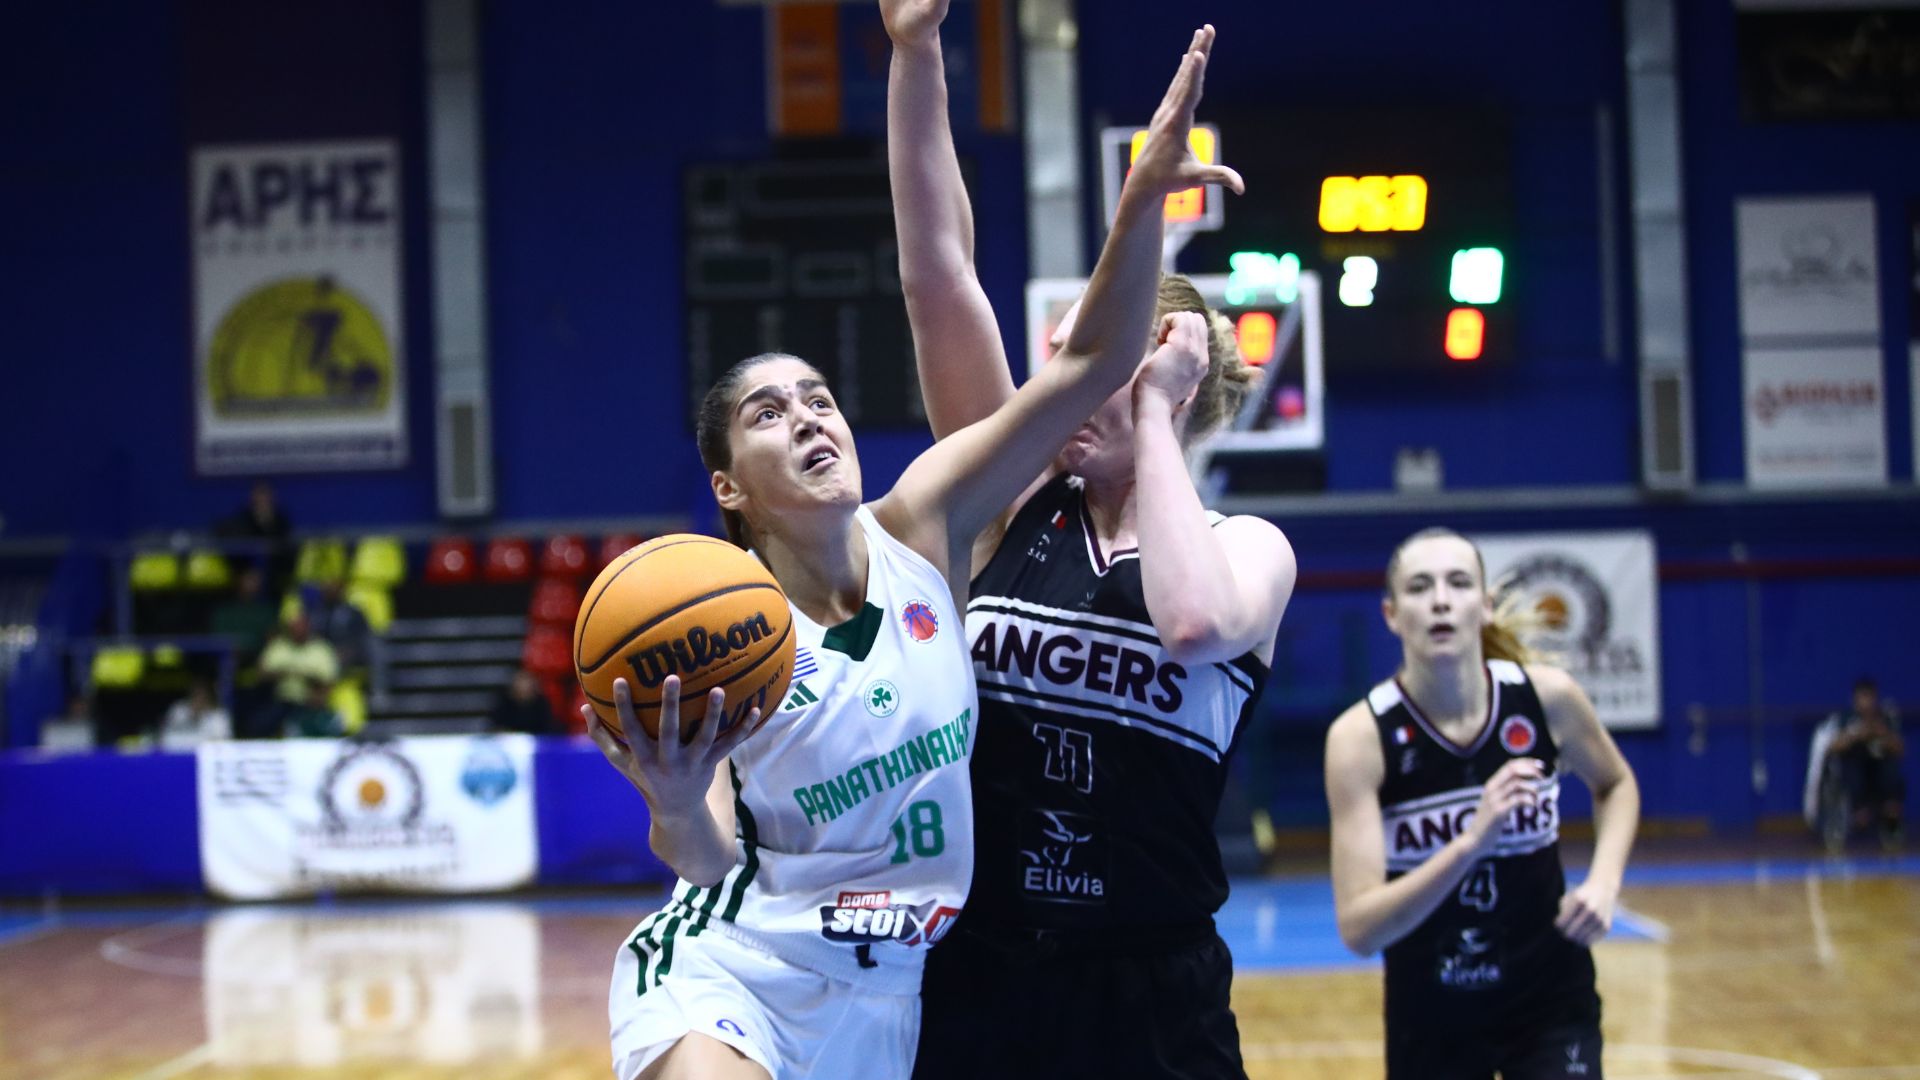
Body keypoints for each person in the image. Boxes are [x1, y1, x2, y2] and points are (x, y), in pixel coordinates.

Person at [585, 26, 1239, 1080]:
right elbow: (703, 862)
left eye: (819, 398)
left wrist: (1141, 202)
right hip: (738, 965)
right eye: (768, 412)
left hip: (893, 998)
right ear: (727, 486)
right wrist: (669, 799)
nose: (808, 417)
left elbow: (1095, 356)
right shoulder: (720, 635)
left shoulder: (926, 527)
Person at [880, 4, 1290, 1077]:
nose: (1060, 380)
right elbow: (937, 277)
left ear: (1172, 381)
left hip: (1153, 987)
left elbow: (1191, 625)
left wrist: (1150, 411)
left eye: (1091, 362)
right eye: (1059, 356)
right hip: (982, 969)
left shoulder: (1248, 547)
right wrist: (916, 54)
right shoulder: (1009, 504)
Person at [1323, 528, 1640, 1079]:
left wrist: (1604, 883)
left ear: (1486, 605)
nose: (1441, 600)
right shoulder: (1360, 739)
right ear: (1392, 615)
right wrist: (1470, 842)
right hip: (1432, 1014)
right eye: (1420, 587)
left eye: (1459, 583)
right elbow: (1359, 929)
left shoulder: (1547, 699)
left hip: (1549, 998)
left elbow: (1616, 784)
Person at [1813, 677, 1905, 849]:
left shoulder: (1885, 717)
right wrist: (1855, 735)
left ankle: (1891, 825)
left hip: (1879, 770)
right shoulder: (1846, 718)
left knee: (1891, 774)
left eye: (1869, 698)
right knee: (1850, 770)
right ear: (1855, 699)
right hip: (1855, 772)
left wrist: (1882, 734)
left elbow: (1900, 749)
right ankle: (1855, 813)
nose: (1866, 703)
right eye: (1862, 698)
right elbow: (1832, 747)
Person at [257, 612, 341, 738]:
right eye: (294, 627)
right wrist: (283, 673)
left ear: (308, 628)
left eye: (301, 627)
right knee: (261, 723)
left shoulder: (321, 649)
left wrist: (307, 678)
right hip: (281, 701)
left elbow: (329, 681)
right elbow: (261, 674)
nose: (298, 631)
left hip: (310, 703)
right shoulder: (278, 646)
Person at [159, 678, 233, 751]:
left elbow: (225, 741)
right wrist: (192, 715)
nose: (199, 697)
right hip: (178, 753)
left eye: (202, 694)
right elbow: (166, 735)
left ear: (209, 695)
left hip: (207, 754)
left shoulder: (219, 716)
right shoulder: (179, 710)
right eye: (196, 693)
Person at [491, 668, 564, 736]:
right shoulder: (504, 702)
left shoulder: (541, 703)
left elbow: (548, 727)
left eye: (527, 683)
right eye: (521, 682)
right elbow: (498, 726)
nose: (524, 686)